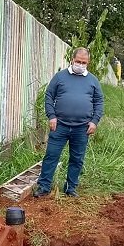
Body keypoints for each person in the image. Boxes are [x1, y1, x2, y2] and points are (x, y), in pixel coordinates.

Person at [34, 47, 104, 198]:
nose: (80, 64)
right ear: (72, 60)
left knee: (77, 159)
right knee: (51, 156)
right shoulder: (60, 77)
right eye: (78, 61)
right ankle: (44, 186)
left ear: (88, 63)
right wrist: (51, 116)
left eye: (83, 62)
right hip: (59, 125)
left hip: (82, 128)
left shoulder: (93, 80)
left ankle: (71, 187)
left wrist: (94, 121)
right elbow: (49, 96)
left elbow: (99, 101)